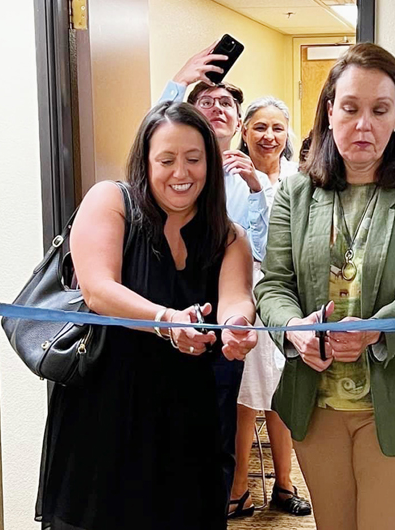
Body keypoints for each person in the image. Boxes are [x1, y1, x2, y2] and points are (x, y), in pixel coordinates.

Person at [255, 43, 395, 530]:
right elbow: (273, 285)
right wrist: (292, 329)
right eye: (350, 108)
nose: (363, 124)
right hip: (316, 406)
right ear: (330, 113)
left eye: (379, 110)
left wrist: (373, 329)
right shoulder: (295, 192)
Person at [35, 101, 258, 530]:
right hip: (105, 411)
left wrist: (236, 329)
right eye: (167, 160)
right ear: (146, 160)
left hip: (188, 418)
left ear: (210, 164)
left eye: (194, 160)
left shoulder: (229, 236)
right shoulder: (110, 201)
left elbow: (236, 300)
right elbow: (99, 290)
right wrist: (167, 321)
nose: (182, 173)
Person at [157, 44, 273, 510]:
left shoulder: (249, 178)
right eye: (206, 101)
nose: (217, 108)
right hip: (163, 310)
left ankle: (217, 507)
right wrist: (179, 81)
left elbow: (262, 252)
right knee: (161, 425)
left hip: (226, 313)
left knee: (220, 422)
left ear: (238, 120)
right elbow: (151, 133)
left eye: (226, 103)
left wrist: (256, 190)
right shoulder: (169, 165)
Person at [230, 97, 312, 518]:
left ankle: (284, 484)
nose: (269, 136)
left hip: (288, 296)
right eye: (260, 127)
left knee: (283, 391)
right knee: (246, 394)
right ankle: (239, 488)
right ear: (244, 130)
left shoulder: (301, 181)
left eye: (277, 128)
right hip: (242, 290)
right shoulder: (229, 176)